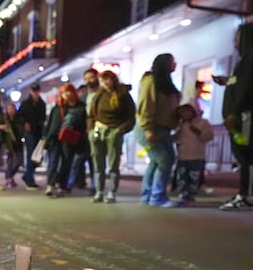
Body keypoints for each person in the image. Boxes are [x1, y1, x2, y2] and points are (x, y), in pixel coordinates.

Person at [213, 22, 253, 211]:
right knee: (243, 154)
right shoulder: (250, 57)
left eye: (237, 36)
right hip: (242, 115)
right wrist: (229, 81)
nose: (235, 41)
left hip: (246, 115)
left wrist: (235, 113)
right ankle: (244, 194)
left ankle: (245, 196)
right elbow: (245, 82)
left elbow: (250, 86)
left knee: (246, 154)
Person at [136, 53, 181, 207]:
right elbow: (146, 104)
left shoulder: (164, 82)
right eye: (172, 61)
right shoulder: (151, 80)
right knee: (165, 159)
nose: (175, 64)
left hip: (160, 128)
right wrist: (148, 129)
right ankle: (157, 196)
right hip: (153, 127)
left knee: (156, 161)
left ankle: (148, 195)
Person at [87, 70, 136, 203]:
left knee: (114, 165)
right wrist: (91, 130)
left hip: (114, 131)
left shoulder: (122, 95)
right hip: (98, 130)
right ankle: (99, 191)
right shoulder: (98, 94)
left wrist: (120, 130)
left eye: (107, 79)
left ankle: (112, 192)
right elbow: (91, 114)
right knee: (98, 164)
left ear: (113, 79)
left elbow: (131, 115)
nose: (105, 83)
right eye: (102, 80)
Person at [43, 83, 86, 198]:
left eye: (68, 91)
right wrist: (45, 138)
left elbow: (82, 124)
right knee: (53, 162)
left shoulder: (80, 107)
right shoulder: (57, 107)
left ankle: (62, 185)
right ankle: (50, 184)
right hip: (55, 138)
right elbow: (50, 124)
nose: (66, 95)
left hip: (69, 138)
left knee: (66, 163)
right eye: (63, 92)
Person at [171, 103, 214, 206]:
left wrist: (198, 132)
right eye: (181, 113)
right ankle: (183, 193)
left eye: (187, 112)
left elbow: (209, 136)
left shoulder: (202, 122)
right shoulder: (180, 125)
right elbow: (177, 138)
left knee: (194, 177)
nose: (185, 115)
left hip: (197, 156)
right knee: (182, 176)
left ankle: (191, 194)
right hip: (183, 156)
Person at [69, 68, 100, 194]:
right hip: (83, 133)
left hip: (97, 131)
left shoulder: (102, 94)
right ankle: (68, 184)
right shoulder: (83, 97)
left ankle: (95, 186)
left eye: (91, 78)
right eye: (86, 79)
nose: (88, 81)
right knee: (77, 160)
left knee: (95, 161)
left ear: (96, 77)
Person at [17, 83, 46, 190]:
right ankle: (29, 179)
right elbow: (19, 116)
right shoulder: (26, 103)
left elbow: (43, 118)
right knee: (31, 155)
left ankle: (27, 176)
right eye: (34, 91)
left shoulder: (41, 103)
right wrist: (25, 123)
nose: (35, 93)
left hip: (38, 132)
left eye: (37, 90)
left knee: (37, 156)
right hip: (29, 133)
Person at [4, 101, 23, 188]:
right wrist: (5, 146)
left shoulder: (18, 119)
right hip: (9, 143)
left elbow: (20, 130)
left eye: (12, 109)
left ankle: (9, 176)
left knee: (19, 161)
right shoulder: (5, 120)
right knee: (10, 162)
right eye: (9, 109)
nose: (11, 110)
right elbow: (4, 134)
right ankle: (9, 178)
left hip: (18, 142)